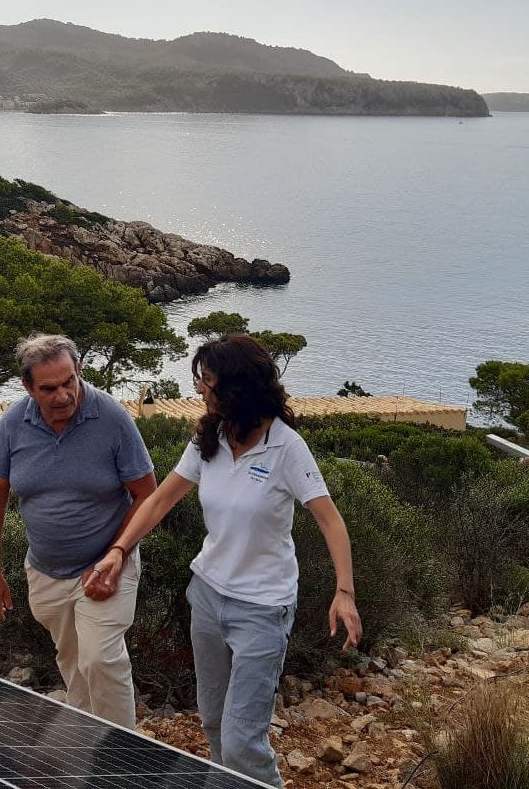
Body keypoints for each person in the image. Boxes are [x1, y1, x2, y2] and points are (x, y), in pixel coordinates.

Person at [87, 334, 362, 786]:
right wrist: (119, 550)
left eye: (207, 380)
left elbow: (330, 521)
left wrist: (345, 592)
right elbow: (159, 501)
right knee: (213, 723)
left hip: (262, 609)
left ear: (235, 387)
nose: (199, 389)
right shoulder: (208, 438)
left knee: (241, 741)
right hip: (209, 598)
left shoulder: (286, 447)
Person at [0, 333, 156, 728]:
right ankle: (89, 748)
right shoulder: (13, 423)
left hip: (108, 561)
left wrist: (118, 554)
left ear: (79, 372)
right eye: (49, 388)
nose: (63, 395)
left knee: (100, 658)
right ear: (28, 387)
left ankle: (124, 759)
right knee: (74, 664)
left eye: (69, 382)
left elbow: (147, 495)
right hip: (45, 571)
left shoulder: (111, 417)